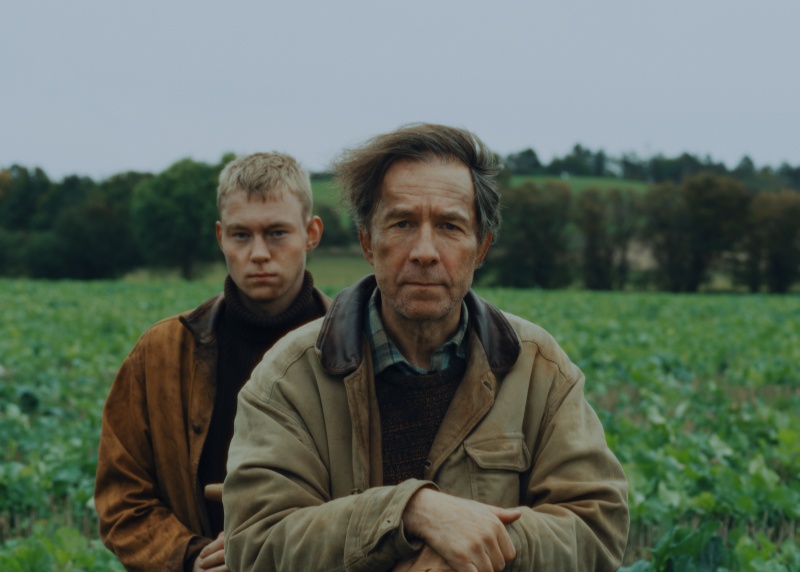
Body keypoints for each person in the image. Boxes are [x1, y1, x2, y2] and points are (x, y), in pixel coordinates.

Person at [222, 125, 629, 571]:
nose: (424, 251)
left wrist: (473, 548)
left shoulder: (539, 369)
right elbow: (256, 544)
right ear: (367, 242)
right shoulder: (288, 378)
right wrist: (409, 511)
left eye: (450, 226)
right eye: (402, 224)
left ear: (481, 248)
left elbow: (597, 528)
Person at [95, 152, 330, 572]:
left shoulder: (356, 350)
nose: (259, 253)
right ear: (221, 236)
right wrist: (191, 557)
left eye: (277, 233)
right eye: (241, 235)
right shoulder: (160, 354)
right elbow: (122, 500)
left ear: (311, 233)